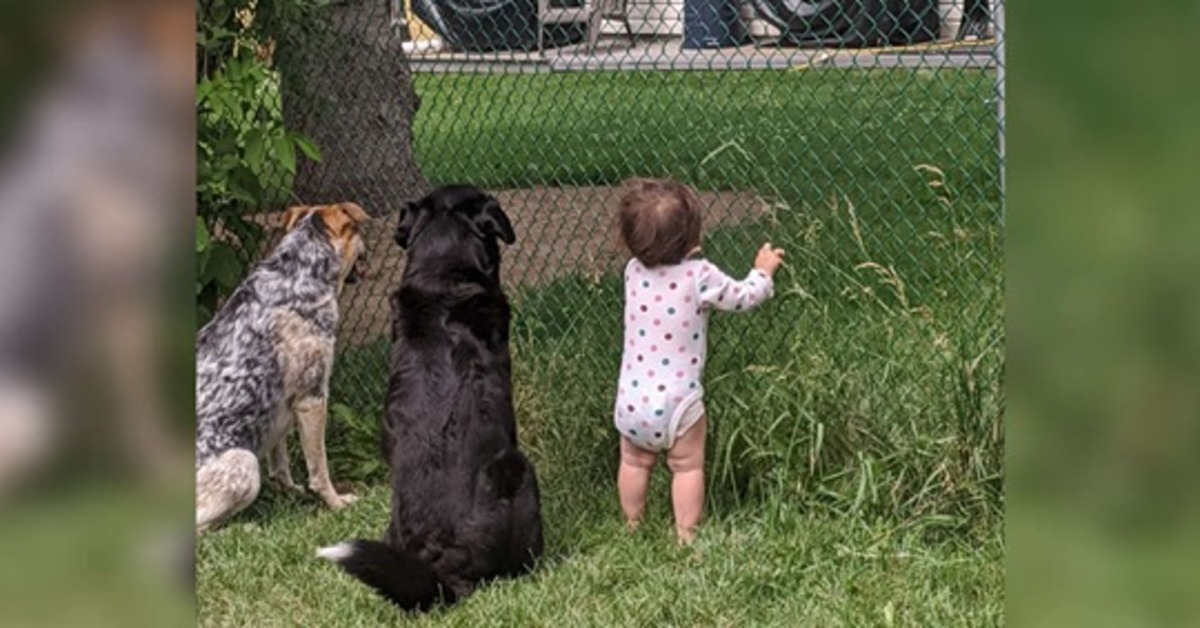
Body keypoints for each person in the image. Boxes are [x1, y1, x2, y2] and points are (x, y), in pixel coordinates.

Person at [612, 178, 785, 544]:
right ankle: (686, 536)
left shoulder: (633, 272)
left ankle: (631, 525)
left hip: (632, 400)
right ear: (692, 238)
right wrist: (763, 272)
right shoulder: (699, 276)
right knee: (687, 466)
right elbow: (743, 296)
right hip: (679, 402)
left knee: (634, 462)